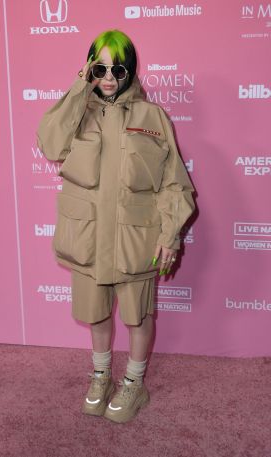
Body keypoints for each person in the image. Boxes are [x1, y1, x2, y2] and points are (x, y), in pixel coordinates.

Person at [36, 29, 195, 424]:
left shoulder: (152, 117)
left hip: (135, 237)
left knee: (138, 316)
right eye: (100, 67)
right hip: (87, 238)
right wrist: (78, 87)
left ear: (131, 70)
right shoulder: (78, 112)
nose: (109, 77)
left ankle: (134, 382)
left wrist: (169, 235)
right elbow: (50, 144)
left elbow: (174, 183)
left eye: (118, 68)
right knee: (97, 313)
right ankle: (101, 375)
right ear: (90, 67)